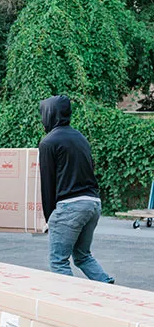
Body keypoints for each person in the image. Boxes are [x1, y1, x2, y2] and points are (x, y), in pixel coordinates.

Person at [38, 95, 114, 284]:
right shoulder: (81, 138)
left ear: (50, 114)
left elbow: (47, 184)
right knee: (82, 256)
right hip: (93, 204)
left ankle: (68, 304)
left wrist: (49, 219)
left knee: (59, 261)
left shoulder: (48, 142)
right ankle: (108, 287)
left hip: (69, 207)